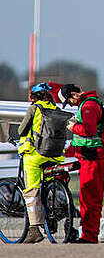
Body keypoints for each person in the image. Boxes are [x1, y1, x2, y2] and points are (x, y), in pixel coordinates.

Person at [16, 83, 68, 243]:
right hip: (56, 155)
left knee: (32, 191)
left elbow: (21, 130)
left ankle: (34, 229)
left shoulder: (34, 109)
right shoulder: (57, 110)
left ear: (34, 97)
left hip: (36, 155)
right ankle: (56, 212)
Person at [62, 83, 104, 243]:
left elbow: (88, 131)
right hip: (89, 158)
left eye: (69, 101)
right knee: (86, 198)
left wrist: (73, 127)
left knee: (90, 200)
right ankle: (88, 233)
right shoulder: (87, 103)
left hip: (93, 159)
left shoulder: (88, 105)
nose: (70, 104)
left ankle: (90, 235)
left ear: (74, 94)